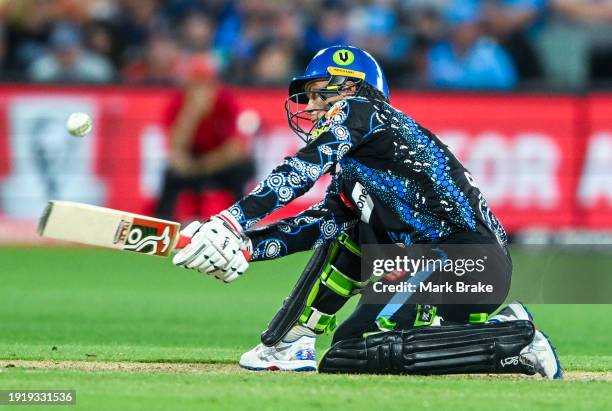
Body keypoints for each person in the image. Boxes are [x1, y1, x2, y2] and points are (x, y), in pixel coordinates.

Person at [172, 45, 562, 379]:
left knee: (355, 351)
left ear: (352, 87)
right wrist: (242, 246)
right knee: (348, 342)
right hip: (438, 265)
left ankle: (516, 337)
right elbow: (320, 226)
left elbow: (301, 169)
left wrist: (231, 220)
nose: (308, 105)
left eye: (317, 92)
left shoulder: (362, 110)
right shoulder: (359, 165)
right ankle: (291, 343)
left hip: (469, 263)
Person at [154, 54, 254, 220]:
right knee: (170, 175)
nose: (201, 89)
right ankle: (162, 224)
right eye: (196, 83)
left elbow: (236, 148)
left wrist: (204, 166)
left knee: (242, 169)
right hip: (191, 162)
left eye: (205, 83)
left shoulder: (226, 100)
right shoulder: (177, 102)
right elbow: (175, 148)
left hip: (218, 163)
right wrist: (192, 114)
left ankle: (242, 221)